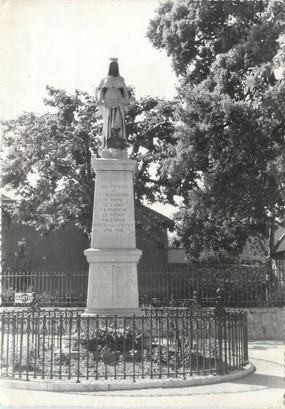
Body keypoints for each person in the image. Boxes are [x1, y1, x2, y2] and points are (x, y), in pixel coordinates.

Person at [98, 58, 131, 154]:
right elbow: (100, 91)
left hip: (118, 102)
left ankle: (119, 143)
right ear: (109, 67)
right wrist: (100, 100)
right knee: (109, 121)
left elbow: (125, 91)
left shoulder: (121, 79)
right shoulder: (104, 79)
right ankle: (109, 143)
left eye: (115, 66)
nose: (113, 68)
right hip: (108, 103)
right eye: (111, 66)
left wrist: (127, 99)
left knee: (118, 121)